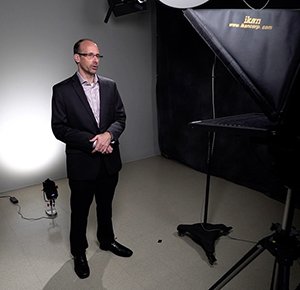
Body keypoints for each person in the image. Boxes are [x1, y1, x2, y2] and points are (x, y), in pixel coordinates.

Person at [51, 38, 133, 279]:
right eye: (89, 55)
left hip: (109, 162)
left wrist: (109, 135)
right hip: (82, 164)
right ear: (77, 57)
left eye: (98, 56)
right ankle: (79, 253)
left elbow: (120, 118)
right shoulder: (62, 90)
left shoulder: (110, 85)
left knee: (105, 206)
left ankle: (107, 241)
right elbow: (59, 128)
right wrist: (95, 141)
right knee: (80, 212)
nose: (95, 60)